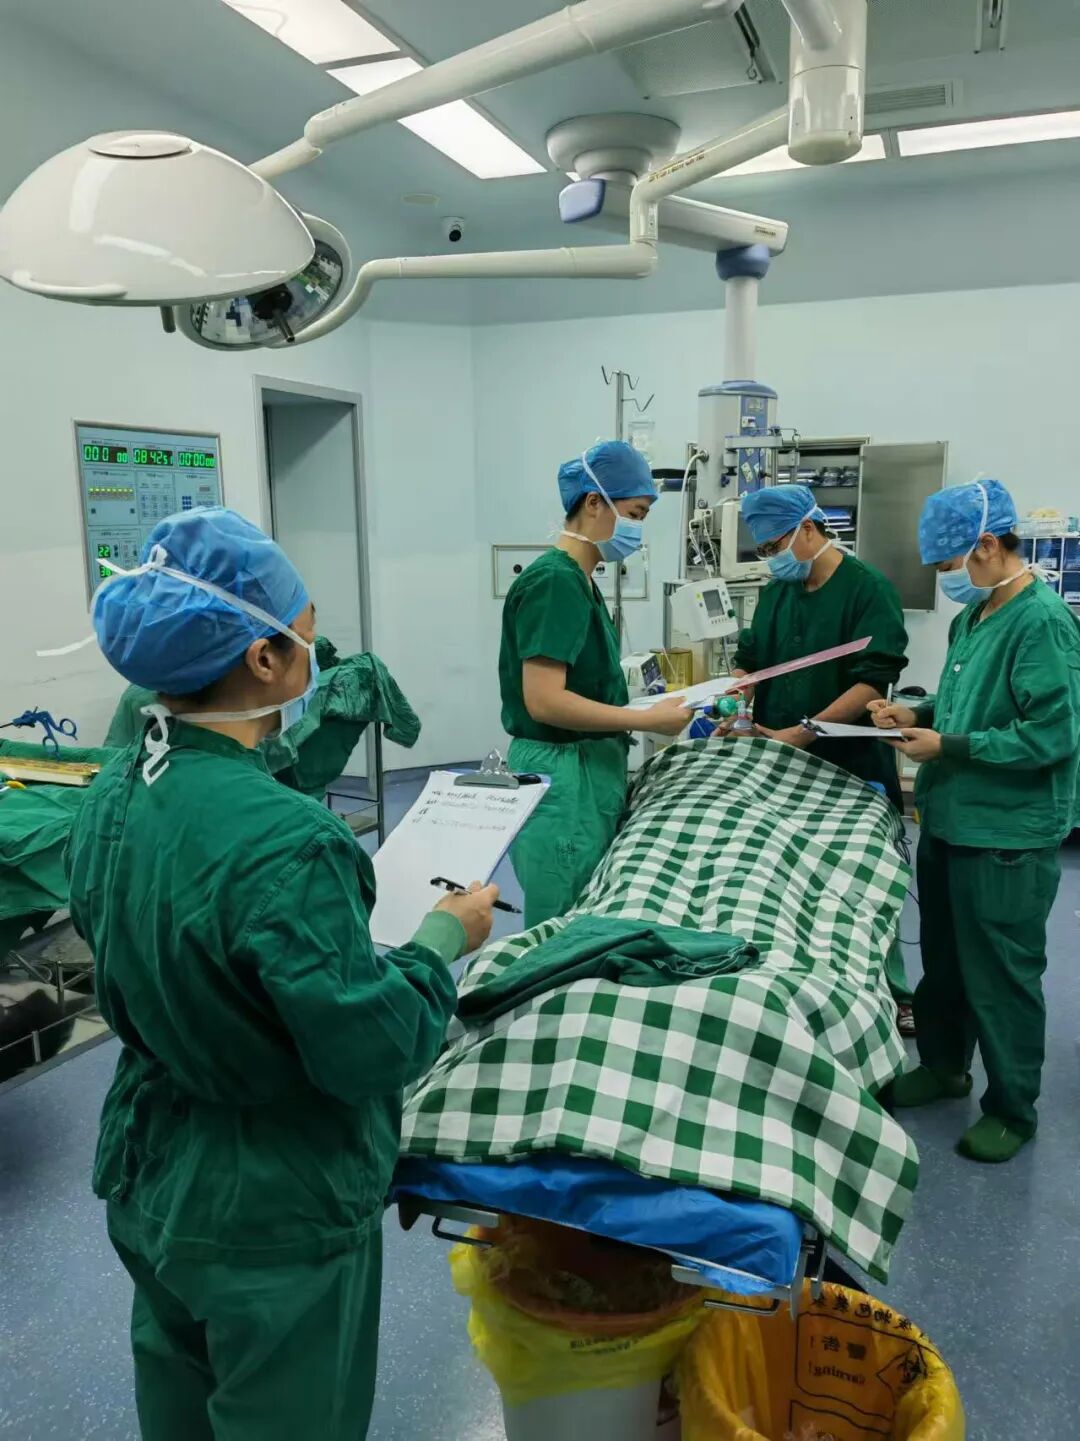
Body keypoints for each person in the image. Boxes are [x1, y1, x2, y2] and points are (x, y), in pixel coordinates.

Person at [65, 507, 497, 1441]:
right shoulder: (292, 842)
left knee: (177, 1404)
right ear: (264, 659)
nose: (316, 651)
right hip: (269, 1207)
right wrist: (441, 936)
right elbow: (368, 1044)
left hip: (150, 1170)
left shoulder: (111, 793)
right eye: (305, 633)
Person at [870, 479, 1080, 1163]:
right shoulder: (976, 616)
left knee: (1002, 975)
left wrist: (950, 747)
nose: (945, 579)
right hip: (950, 820)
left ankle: (1013, 1109)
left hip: (1006, 833)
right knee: (945, 963)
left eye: (948, 564)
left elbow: (1051, 735)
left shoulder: (1042, 622)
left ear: (987, 544)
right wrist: (916, 713)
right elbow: (965, 702)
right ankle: (944, 1065)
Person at [727, 484, 915, 1031]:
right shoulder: (778, 591)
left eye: (775, 546)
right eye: (764, 551)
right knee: (791, 880)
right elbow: (751, 660)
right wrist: (736, 698)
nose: (772, 559)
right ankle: (807, 990)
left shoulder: (867, 590)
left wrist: (804, 732)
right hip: (780, 762)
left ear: (808, 528)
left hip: (849, 763)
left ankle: (893, 992)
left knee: (860, 885)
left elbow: (872, 680)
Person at [500, 441, 692, 927]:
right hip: (563, 774)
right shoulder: (555, 582)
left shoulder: (583, 580)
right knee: (559, 926)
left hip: (586, 767)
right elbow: (544, 701)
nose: (638, 528)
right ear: (593, 502)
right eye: (635, 513)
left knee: (585, 912)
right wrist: (644, 720)